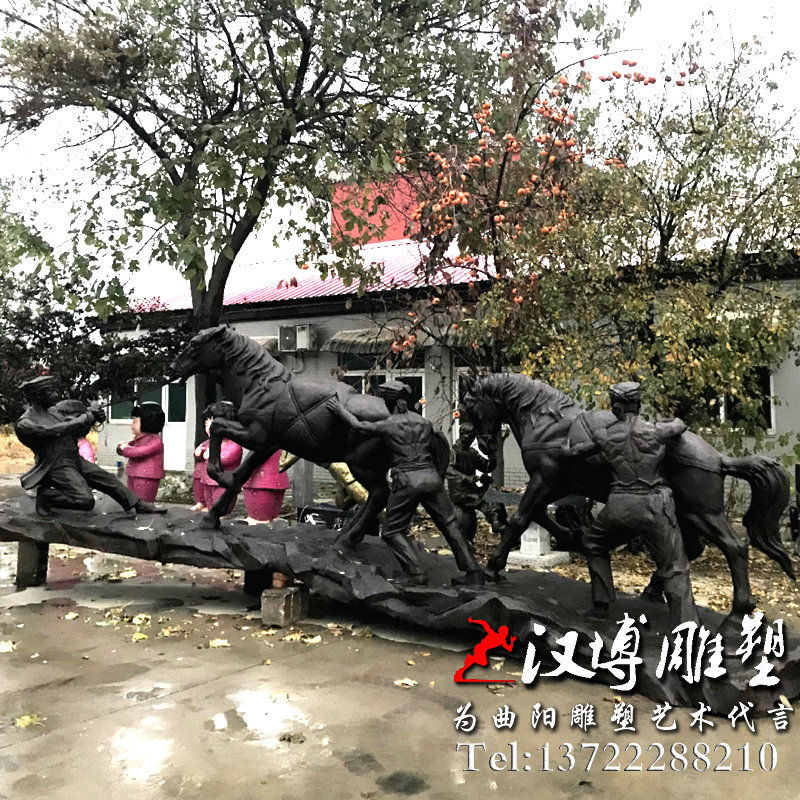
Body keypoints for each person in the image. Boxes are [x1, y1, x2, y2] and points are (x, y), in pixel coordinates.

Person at [563, 381, 699, 628]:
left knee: (593, 543)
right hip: (653, 505)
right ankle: (685, 629)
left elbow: (574, 453)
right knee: (675, 567)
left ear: (615, 406)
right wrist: (669, 420)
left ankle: (601, 606)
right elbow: (680, 424)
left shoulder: (603, 435)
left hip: (619, 505)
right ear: (638, 404)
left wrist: (566, 449)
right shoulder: (657, 431)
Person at [326, 380, 485, 586]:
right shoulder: (424, 423)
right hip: (432, 478)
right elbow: (441, 447)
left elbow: (358, 426)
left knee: (392, 530)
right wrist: (439, 475)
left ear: (387, 402)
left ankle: (415, 573)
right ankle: (474, 572)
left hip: (408, 480)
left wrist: (340, 411)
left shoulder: (388, 424)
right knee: (449, 524)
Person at [15, 376, 165, 517]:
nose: (56, 395)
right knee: (85, 500)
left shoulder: (53, 413)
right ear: (39, 395)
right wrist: (84, 418)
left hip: (73, 458)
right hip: (55, 466)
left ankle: (137, 505)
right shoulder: (25, 423)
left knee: (108, 479)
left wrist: (93, 418)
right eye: (51, 391)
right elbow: (54, 430)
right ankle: (47, 496)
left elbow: (72, 427)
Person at [447, 411, 507, 546]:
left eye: (473, 436)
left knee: (494, 492)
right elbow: (448, 470)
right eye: (469, 436)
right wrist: (466, 478)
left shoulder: (472, 452)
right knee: (484, 498)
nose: (471, 439)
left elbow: (486, 467)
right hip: (460, 493)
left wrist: (492, 456)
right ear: (462, 434)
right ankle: (495, 520)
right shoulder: (453, 452)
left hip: (471, 489)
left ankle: (498, 522)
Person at [192, 401, 243, 514]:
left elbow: (228, 457)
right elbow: (199, 453)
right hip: (208, 478)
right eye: (207, 424)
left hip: (223, 479)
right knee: (209, 497)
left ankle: (222, 513)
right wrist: (198, 453)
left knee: (220, 498)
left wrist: (212, 455)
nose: (209, 428)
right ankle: (210, 510)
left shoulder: (233, 443)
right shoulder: (208, 442)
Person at [116, 401, 165, 503]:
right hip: (133, 474)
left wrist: (125, 448)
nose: (132, 425)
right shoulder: (139, 439)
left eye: (135, 421)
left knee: (143, 502)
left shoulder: (156, 441)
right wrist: (121, 448)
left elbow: (137, 452)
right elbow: (129, 450)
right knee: (132, 501)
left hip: (146, 476)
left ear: (148, 421)